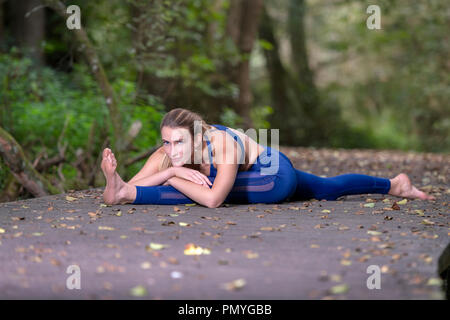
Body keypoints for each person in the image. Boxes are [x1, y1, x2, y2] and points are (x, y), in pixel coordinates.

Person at [101, 108, 435, 208]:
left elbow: (215, 200)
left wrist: (172, 177)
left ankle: (395, 184)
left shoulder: (220, 144)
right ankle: (394, 184)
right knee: (326, 189)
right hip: (260, 176)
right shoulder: (172, 147)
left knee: (198, 188)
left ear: (197, 137)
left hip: (273, 174)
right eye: (166, 143)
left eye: (178, 144)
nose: (171, 151)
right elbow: (131, 184)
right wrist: (127, 183)